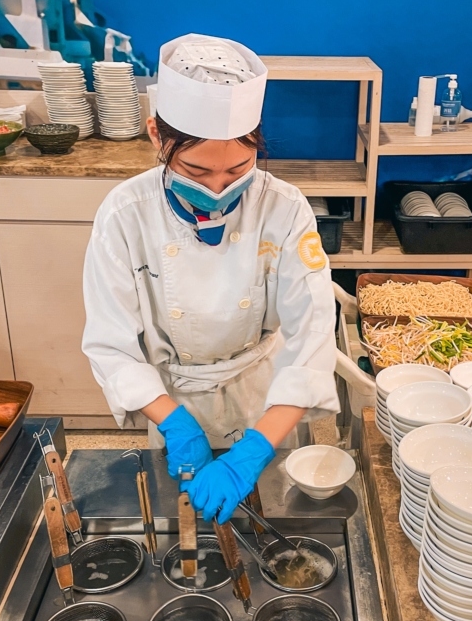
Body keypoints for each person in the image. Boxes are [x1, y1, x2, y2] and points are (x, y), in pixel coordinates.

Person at [82, 33, 340, 524]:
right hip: (172, 399)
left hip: (265, 398)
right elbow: (110, 344)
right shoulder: (124, 214)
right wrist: (176, 424)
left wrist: (256, 449)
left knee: (275, 513)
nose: (218, 190)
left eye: (238, 169)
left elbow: (310, 335)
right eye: (196, 171)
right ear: (157, 135)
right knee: (183, 522)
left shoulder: (284, 209)